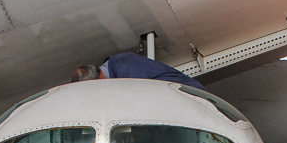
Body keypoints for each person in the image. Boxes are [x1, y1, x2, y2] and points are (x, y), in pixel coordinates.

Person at [71, 52, 203, 89]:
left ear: (97, 80)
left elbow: (135, 98)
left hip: (190, 94)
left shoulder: (123, 66)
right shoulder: (117, 68)